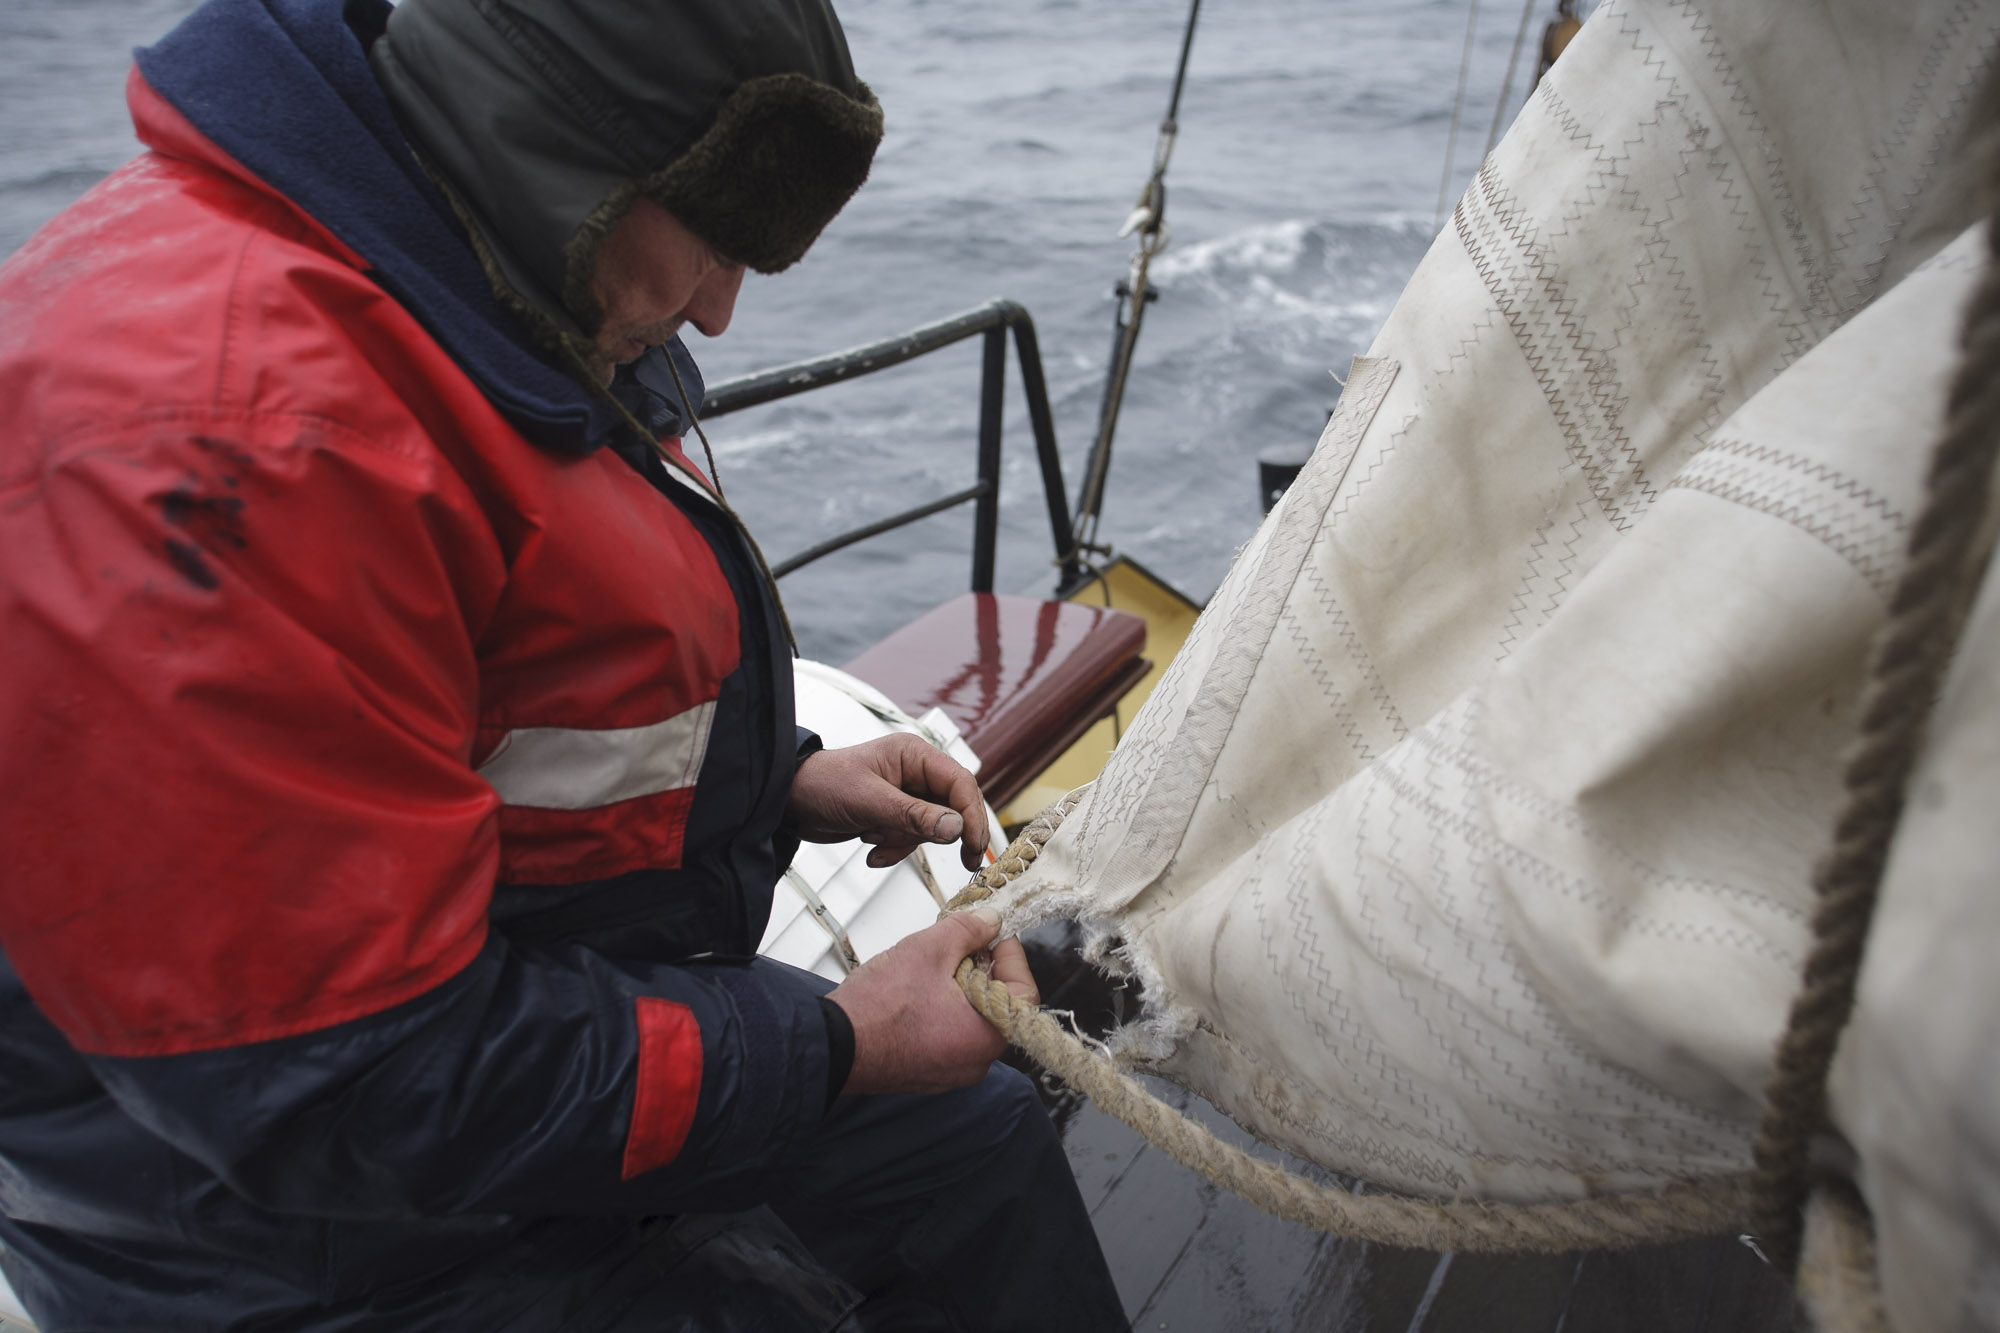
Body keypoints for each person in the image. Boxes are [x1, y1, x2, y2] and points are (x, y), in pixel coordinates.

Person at [0, 0, 1127, 1328]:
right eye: (710, 239)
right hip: (303, 1231)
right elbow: (346, 1082)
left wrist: (780, 780)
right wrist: (841, 1044)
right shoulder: (228, 444)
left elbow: (476, 702)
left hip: (501, 1076)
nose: (716, 309)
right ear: (552, 155)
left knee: (971, 1148)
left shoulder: (472, 265)